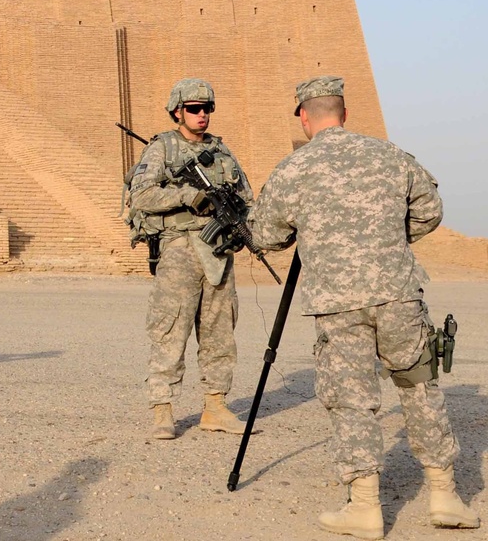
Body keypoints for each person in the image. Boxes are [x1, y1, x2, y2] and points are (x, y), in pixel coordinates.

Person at [248, 76, 479, 538]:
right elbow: (430, 211)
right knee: (419, 387)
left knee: (352, 398)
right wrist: (387, 240)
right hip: (398, 294)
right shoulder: (391, 155)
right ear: (345, 113)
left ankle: (365, 507)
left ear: (303, 116)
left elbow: (266, 237)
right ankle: (445, 496)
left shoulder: (293, 169)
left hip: (338, 302)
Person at [128, 78, 253, 440]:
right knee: (171, 329)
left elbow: (246, 197)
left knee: (219, 333)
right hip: (180, 250)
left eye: (207, 109)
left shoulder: (223, 153)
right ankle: (163, 410)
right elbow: (143, 196)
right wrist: (187, 195)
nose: (202, 116)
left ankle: (215, 407)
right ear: (177, 112)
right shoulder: (162, 149)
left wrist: (246, 228)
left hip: (217, 253)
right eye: (194, 109)